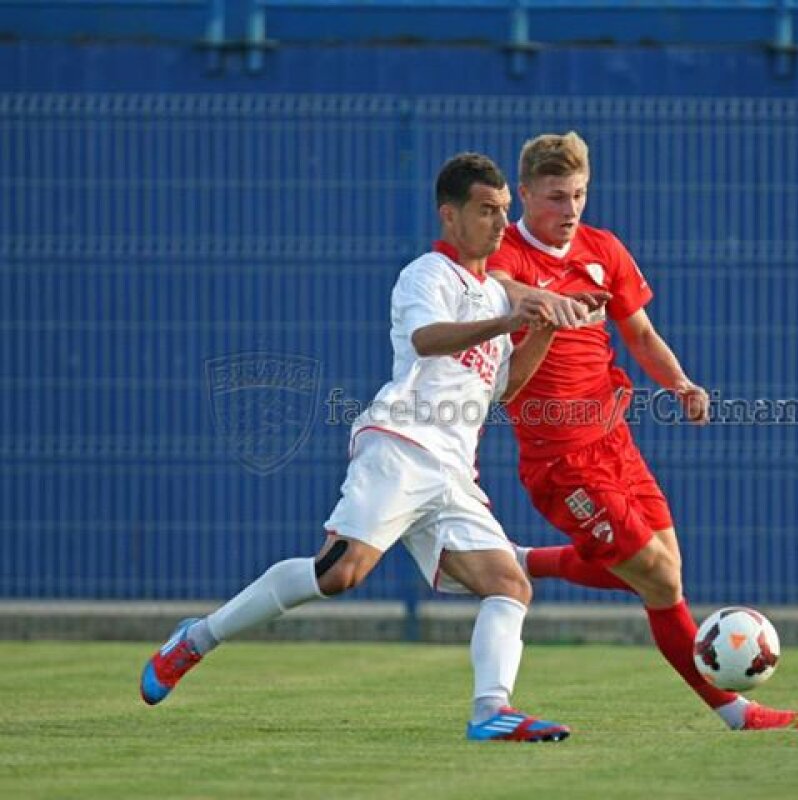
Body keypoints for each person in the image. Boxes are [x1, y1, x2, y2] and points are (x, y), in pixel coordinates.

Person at [141, 152, 577, 743]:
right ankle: (196, 639)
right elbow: (427, 340)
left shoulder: (498, 295)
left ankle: (490, 711)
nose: (501, 225)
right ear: (450, 215)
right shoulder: (427, 274)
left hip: (452, 467)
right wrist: (509, 321)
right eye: (486, 211)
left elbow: (503, 390)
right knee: (340, 572)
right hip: (401, 442)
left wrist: (543, 330)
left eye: (504, 211)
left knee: (509, 584)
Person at [488, 131, 798, 732]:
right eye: (556, 197)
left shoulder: (602, 248)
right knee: (658, 578)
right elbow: (498, 287)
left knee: (666, 571)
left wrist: (681, 383)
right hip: (562, 461)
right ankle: (734, 710)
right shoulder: (508, 254)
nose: (570, 210)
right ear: (525, 194)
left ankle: (525, 560)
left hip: (614, 444)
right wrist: (543, 301)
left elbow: (638, 334)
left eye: (580, 195)